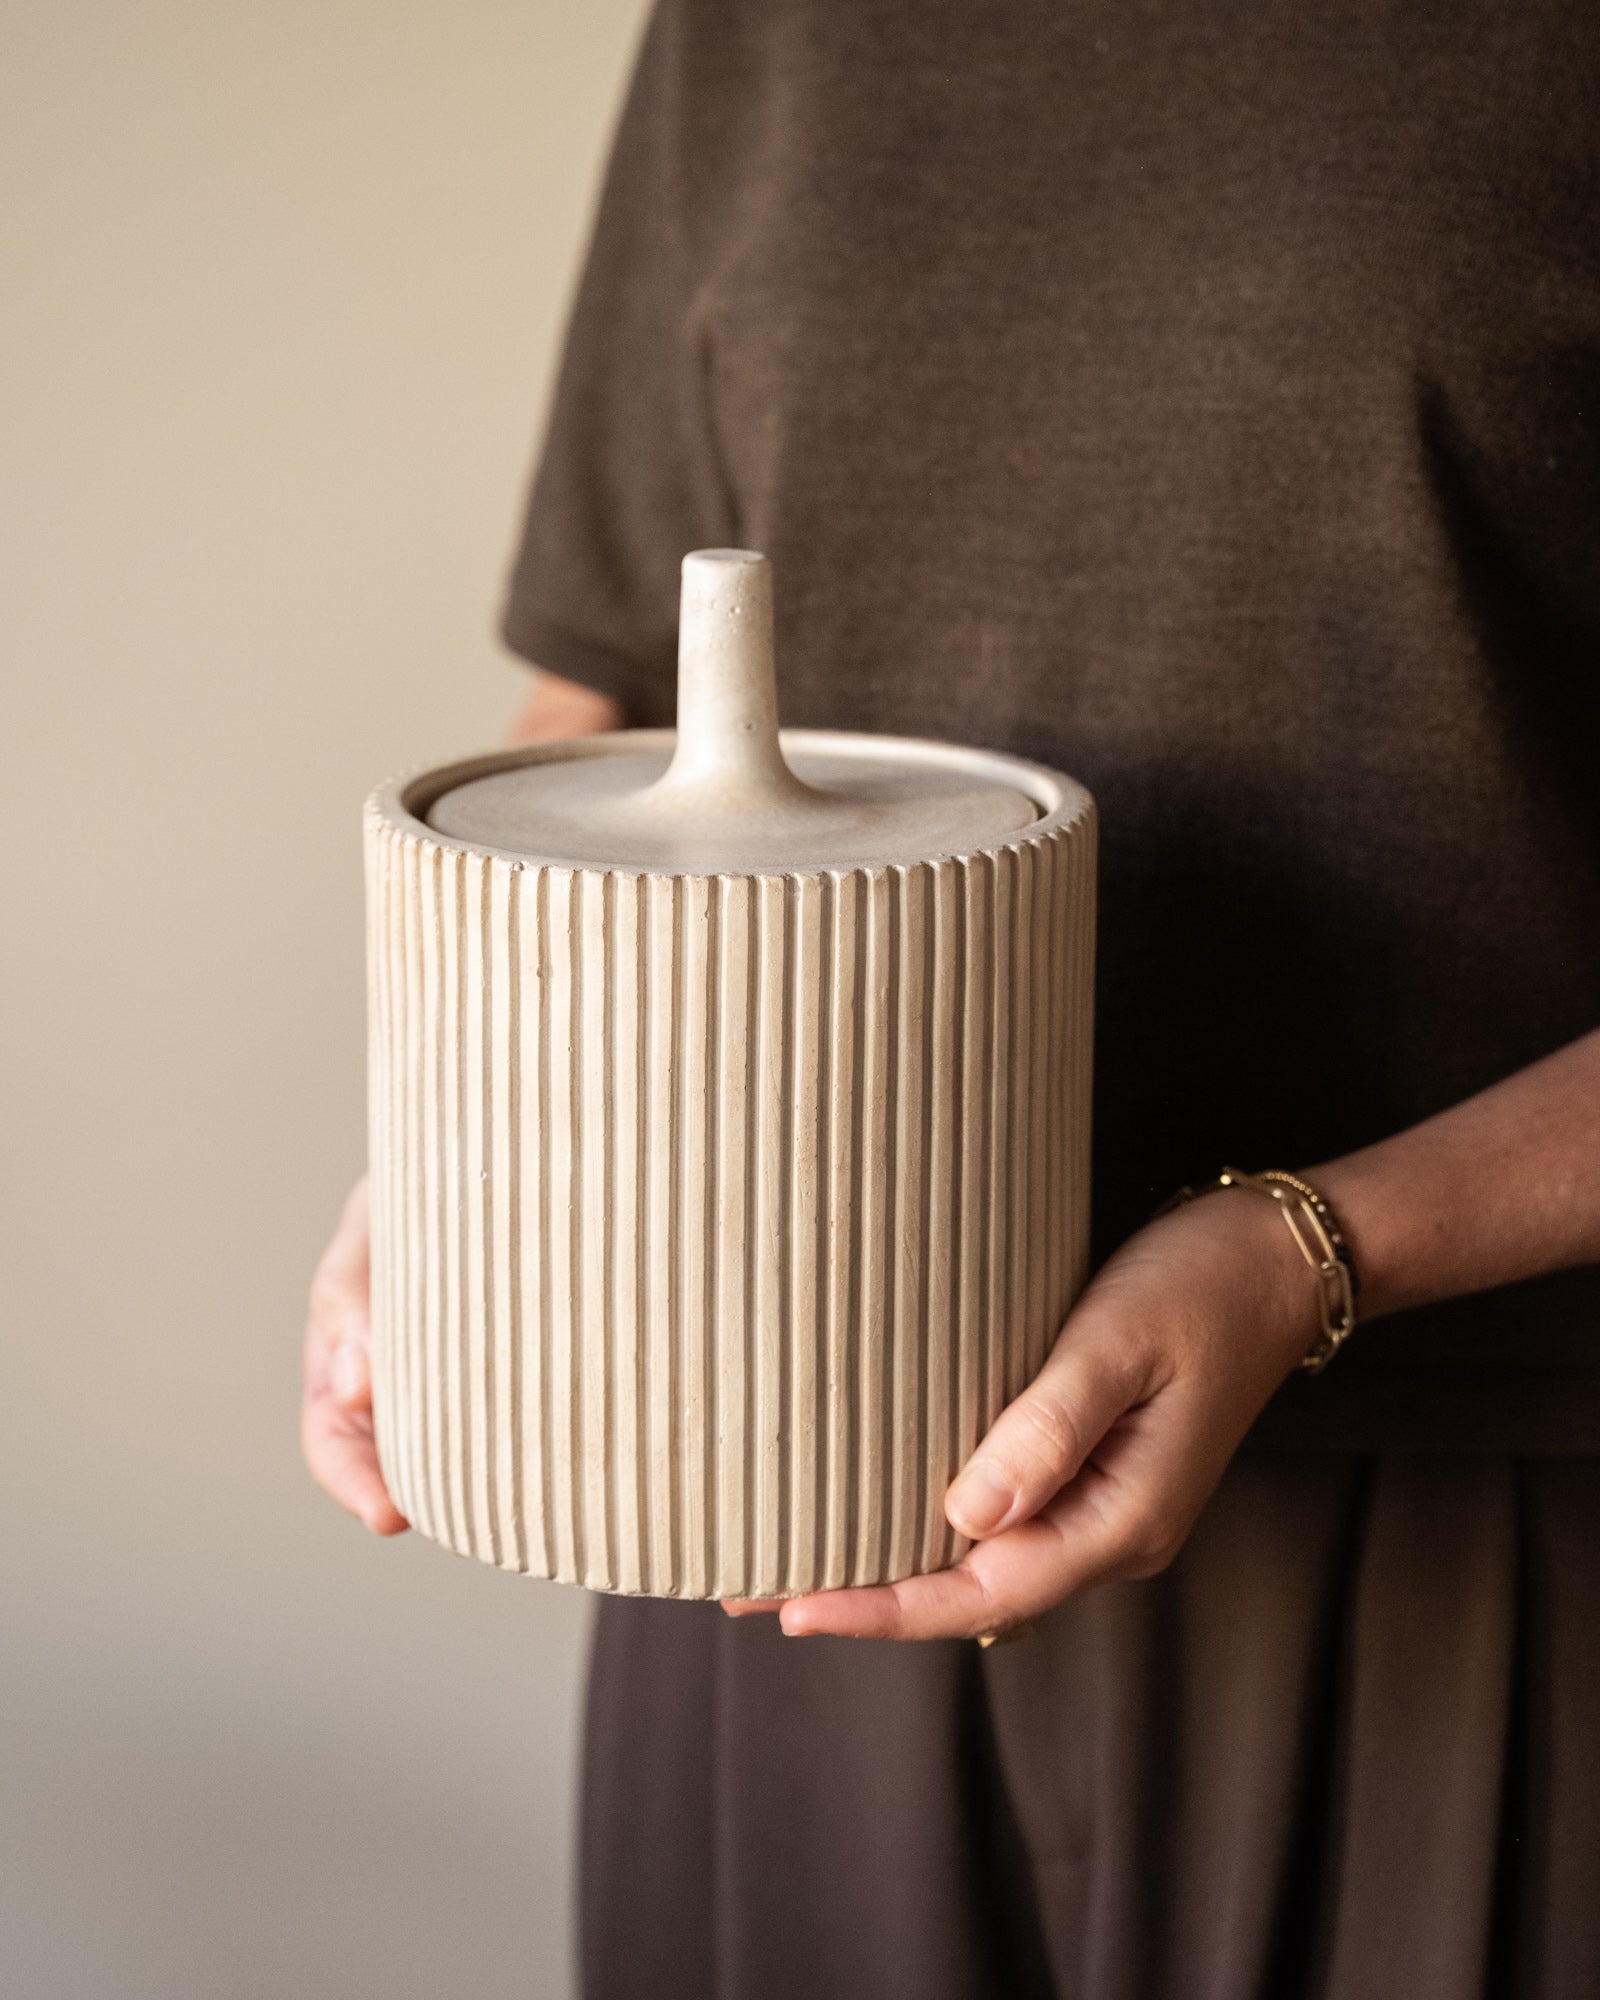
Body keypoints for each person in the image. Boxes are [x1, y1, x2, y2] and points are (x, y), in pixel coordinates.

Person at [304, 4, 1600, 1993]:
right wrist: (471, 1131)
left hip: (1462, 1540)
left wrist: (1310, 1250)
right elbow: (609, 696)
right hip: (768, 1504)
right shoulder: (761, 28)